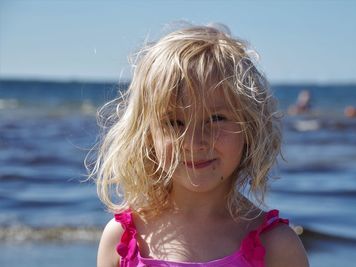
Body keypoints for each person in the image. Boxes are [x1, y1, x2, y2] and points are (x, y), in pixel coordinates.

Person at [91, 23, 309, 267]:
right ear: (147, 134)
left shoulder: (276, 246)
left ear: (250, 126)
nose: (194, 143)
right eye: (174, 122)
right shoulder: (122, 239)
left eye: (216, 119)